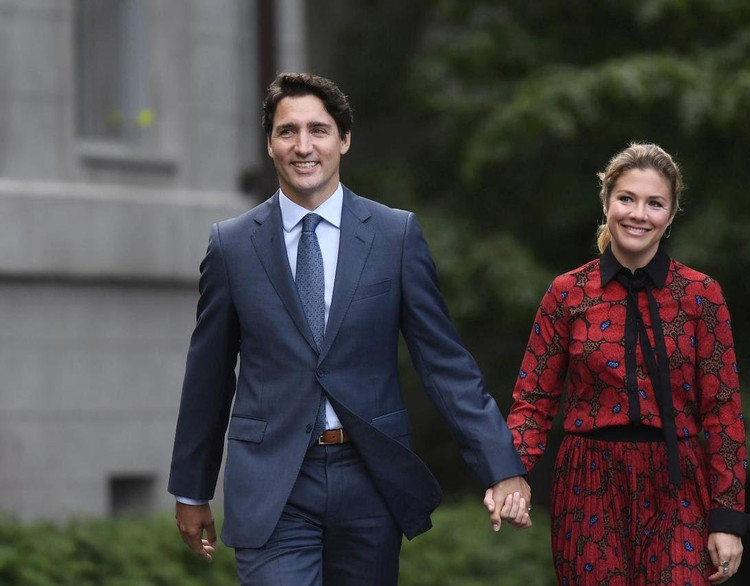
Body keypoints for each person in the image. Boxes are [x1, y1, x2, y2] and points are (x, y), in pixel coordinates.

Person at [168, 72, 531, 585]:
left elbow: (444, 364)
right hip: (274, 485)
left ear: (344, 139)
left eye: (318, 130)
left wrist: (501, 464)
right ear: (270, 144)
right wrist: (192, 488)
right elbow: (208, 375)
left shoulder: (394, 236)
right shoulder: (231, 247)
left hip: (369, 478)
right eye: (287, 131)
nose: (303, 146)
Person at [505, 143, 750, 585]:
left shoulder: (701, 295)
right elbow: (534, 399)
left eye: (654, 203)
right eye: (627, 199)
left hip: (677, 481)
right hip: (588, 481)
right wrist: (510, 472)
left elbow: (723, 412)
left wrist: (727, 517)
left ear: (671, 214)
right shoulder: (567, 293)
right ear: (606, 203)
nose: (639, 214)